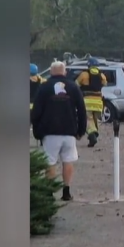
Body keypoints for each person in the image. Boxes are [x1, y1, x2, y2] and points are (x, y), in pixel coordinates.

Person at [31, 61, 87, 201]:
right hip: (69, 131)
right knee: (68, 161)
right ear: (65, 72)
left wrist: (37, 131)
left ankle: (49, 193)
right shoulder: (74, 87)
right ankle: (66, 191)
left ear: (50, 72)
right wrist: (81, 130)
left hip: (50, 132)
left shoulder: (44, 87)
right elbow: (81, 110)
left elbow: (36, 111)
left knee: (50, 162)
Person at [74, 58, 108, 147]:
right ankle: (95, 132)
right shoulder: (102, 75)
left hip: (87, 101)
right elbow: (105, 84)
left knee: (88, 119)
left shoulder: (84, 74)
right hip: (98, 102)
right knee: (95, 119)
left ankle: (92, 134)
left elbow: (76, 84)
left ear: (88, 65)